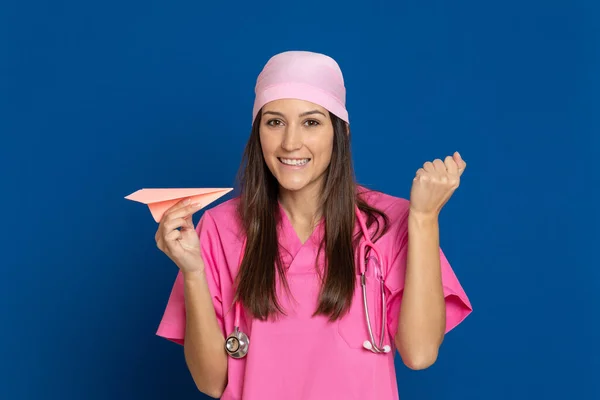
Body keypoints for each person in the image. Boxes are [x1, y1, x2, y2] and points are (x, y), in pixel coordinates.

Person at [153, 50, 472, 400]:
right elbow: (212, 383)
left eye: (311, 122)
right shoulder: (219, 227)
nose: (291, 143)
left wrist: (424, 220)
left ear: (341, 133)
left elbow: (421, 353)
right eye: (274, 122)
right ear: (257, 132)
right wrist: (194, 272)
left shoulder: (388, 223)